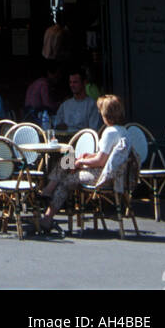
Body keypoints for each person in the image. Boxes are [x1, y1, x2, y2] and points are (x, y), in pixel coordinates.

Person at [40, 95, 133, 233]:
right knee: (67, 160)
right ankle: (48, 190)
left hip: (103, 176)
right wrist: (87, 157)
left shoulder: (109, 132)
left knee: (66, 180)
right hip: (114, 173)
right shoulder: (123, 131)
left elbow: (100, 161)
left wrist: (81, 162)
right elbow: (105, 156)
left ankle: (47, 215)